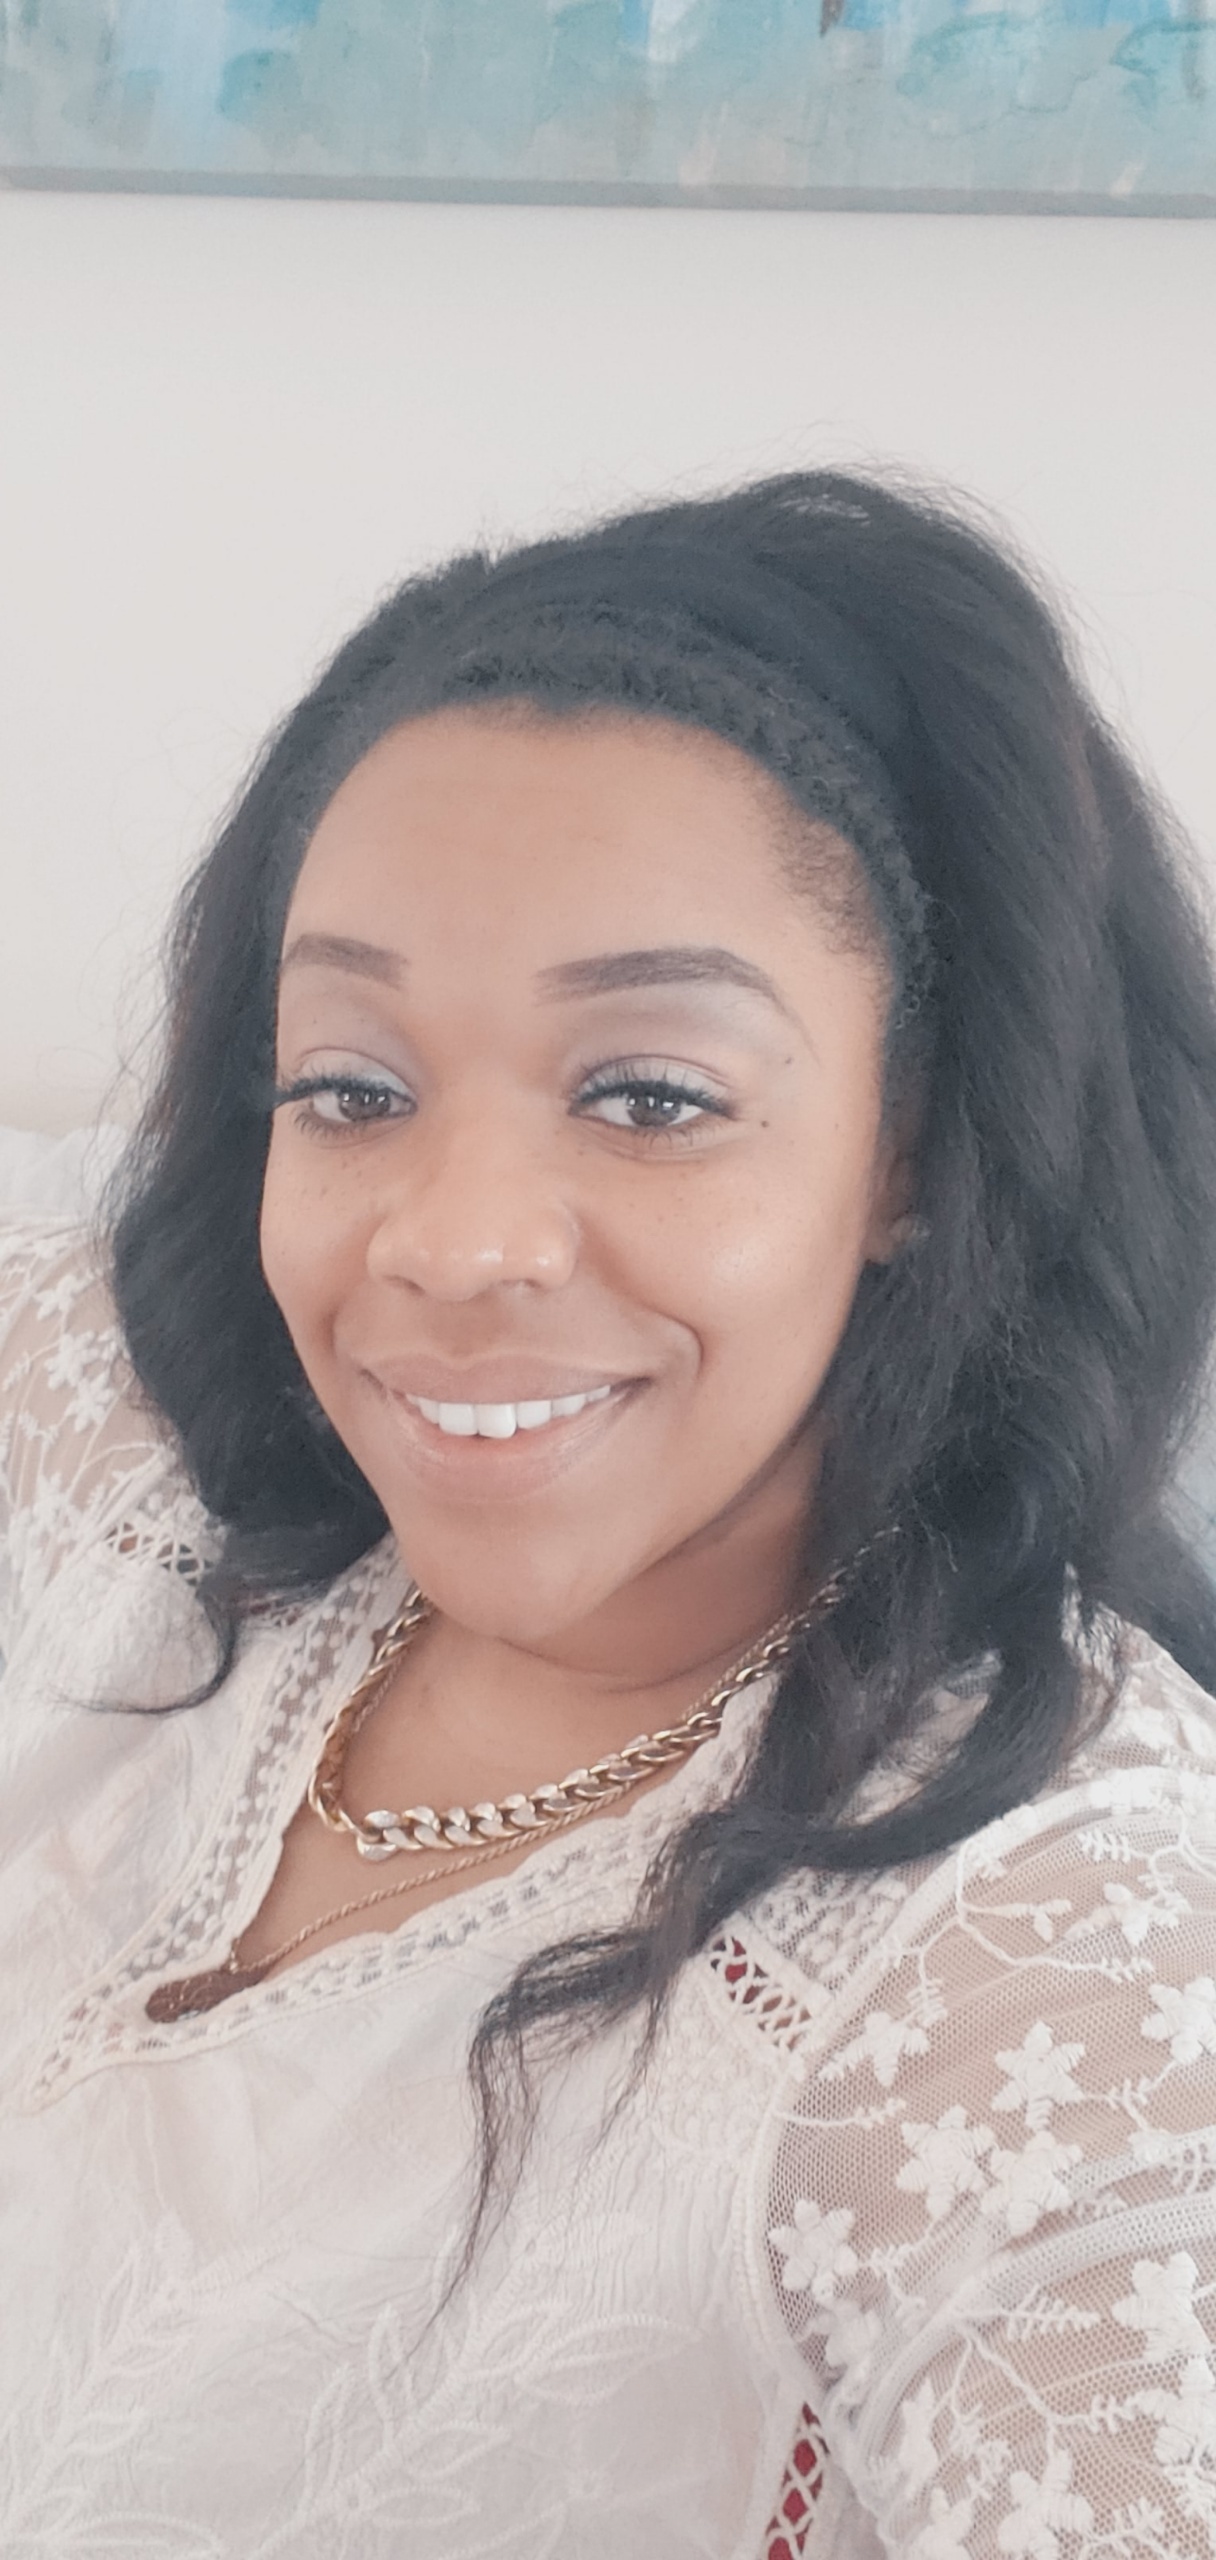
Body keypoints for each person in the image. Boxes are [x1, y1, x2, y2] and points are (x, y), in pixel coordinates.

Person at [3, 469, 1216, 2559]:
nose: (449, 1242)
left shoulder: (1056, 1968)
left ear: (913, 1150)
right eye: (352, 1088)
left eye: (648, 1095)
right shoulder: (112, 1446)